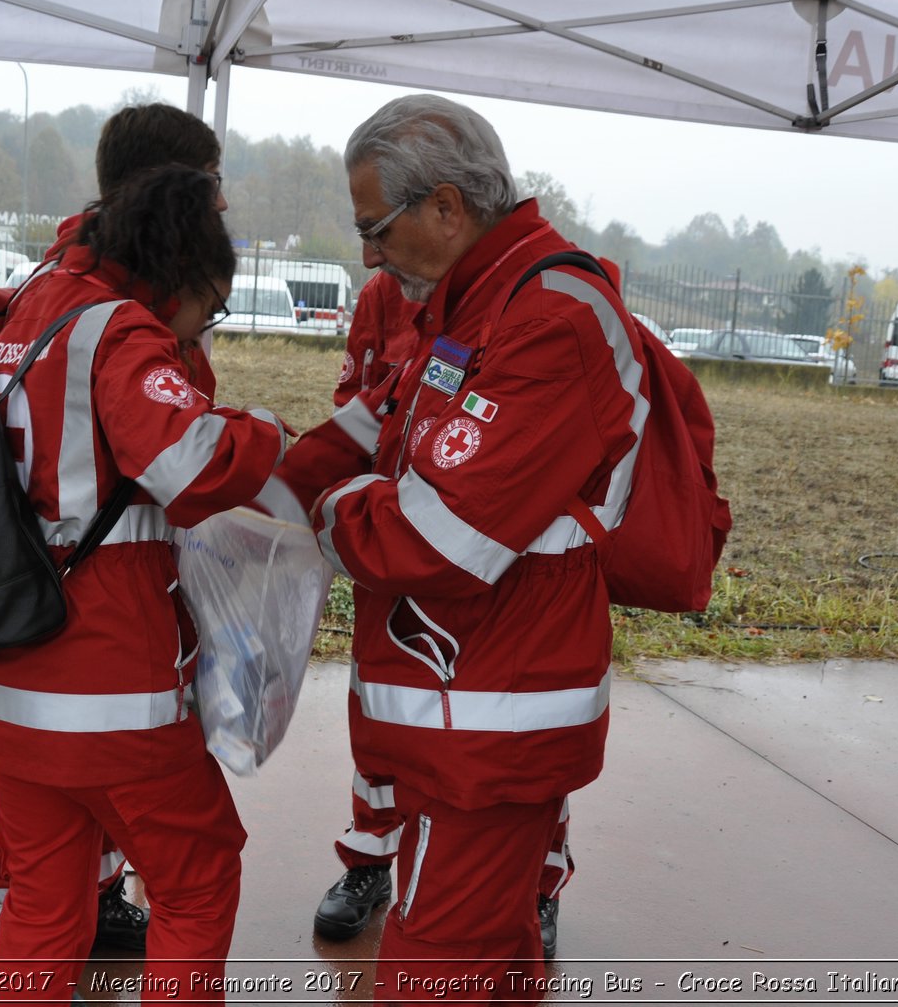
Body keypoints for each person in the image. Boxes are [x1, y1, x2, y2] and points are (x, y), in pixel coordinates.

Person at [273, 95, 641, 1002]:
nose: (367, 253)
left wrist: (329, 505)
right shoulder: (478, 303)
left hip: (490, 723)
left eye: (375, 227)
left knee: (432, 967)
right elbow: (385, 424)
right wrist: (263, 467)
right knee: (495, 961)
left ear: (446, 207)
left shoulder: (546, 316)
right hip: (462, 709)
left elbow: (441, 537)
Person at [0, 163, 287, 1003]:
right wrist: (270, 434)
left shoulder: (31, 306)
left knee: (42, 900)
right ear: (179, 274)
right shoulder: (121, 332)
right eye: (207, 310)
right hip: (104, 680)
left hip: (4, 671)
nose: (198, 331)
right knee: (198, 876)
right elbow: (187, 460)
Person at [314, 272, 575, 960]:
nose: (375, 251)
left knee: (520, 744)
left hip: (502, 565)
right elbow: (361, 396)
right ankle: (369, 858)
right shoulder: (383, 294)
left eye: (381, 227)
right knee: (380, 713)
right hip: (393, 541)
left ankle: (537, 886)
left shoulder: (540, 301)